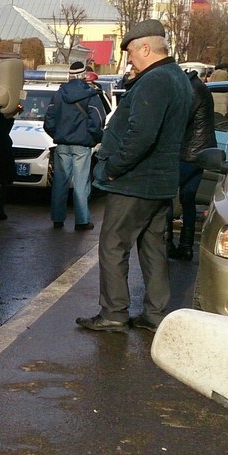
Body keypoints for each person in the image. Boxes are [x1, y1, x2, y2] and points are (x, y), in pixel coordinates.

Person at [76, 19, 192, 333]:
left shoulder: (155, 80)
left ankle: (114, 313)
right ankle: (155, 314)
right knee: (153, 248)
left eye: (131, 53)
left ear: (145, 47)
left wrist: (114, 168)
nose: (130, 60)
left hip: (135, 182)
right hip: (161, 182)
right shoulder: (177, 78)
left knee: (113, 245)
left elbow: (141, 134)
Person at [45, 60, 105, 230]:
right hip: (82, 145)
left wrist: (57, 135)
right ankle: (82, 221)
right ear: (84, 75)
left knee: (60, 183)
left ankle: (57, 219)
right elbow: (98, 120)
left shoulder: (58, 95)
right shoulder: (91, 95)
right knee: (81, 184)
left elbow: (48, 121)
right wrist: (95, 138)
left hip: (62, 145)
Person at [166, 69, 217, 260]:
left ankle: (167, 242)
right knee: (188, 199)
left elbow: (181, 119)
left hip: (189, 152)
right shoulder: (198, 87)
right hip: (200, 152)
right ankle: (186, 246)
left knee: (167, 195)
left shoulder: (193, 90)